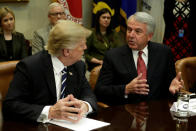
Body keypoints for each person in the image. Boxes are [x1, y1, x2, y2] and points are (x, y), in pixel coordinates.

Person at [3, 20, 97, 123]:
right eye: (81, 45)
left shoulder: (78, 66)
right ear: (66, 51)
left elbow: (89, 94)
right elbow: (10, 105)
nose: (85, 48)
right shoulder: (30, 67)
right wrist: (50, 112)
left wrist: (85, 105)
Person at [95, 12, 183, 106]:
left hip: (156, 114)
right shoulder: (113, 56)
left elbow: (170, 88)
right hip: (125, 114)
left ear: (149, 36)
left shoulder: (164, 53)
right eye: (129, 30)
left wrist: (172, 91)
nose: (131, 35)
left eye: (137, 31)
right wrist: (125, 89)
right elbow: (100, 91)